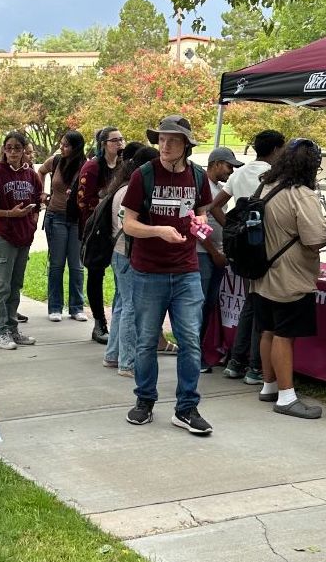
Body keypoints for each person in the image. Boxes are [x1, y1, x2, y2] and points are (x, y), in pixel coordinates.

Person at [122, 115, 214, 435]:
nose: (164, 144)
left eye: (173, 140)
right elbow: (128, 224)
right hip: (148, 272)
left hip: (187, 271)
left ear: (186, 145)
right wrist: (159, 230)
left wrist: (199, 229)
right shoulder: (143, 175)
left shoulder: (198, 177)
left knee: (189, 340)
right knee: (147, 341)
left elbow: (201, 219)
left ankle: (186, 407)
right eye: (161, 138)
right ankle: (145, 401)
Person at [248, 139, 326, 420]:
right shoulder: (301, 193)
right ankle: (286, 396)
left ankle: (269, 385)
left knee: (268, 330)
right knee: (285, 334)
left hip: (262, 273)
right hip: (291, 277)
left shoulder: (266, 186)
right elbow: (314, 238)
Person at [212, 129, 285, 383]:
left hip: (242, 250)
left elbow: (215, 205)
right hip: (266, 250)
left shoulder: (240, 173)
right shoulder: (276, 177)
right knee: (260, 308)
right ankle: (254, 366)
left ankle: (236, 361)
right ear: (276, 150)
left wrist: (232, 229)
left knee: (250, 304)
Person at [0, 131, 42, 350]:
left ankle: (13, 328)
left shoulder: (31, 175)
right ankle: (0, 331)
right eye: (9, 147)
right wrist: (8, 214)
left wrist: (32, 222)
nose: (13, 152)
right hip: (4, 235)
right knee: (1, 285)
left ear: (24, 151)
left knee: (16, 285)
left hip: (24, 236)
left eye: (17, 148)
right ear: (4, 150)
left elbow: (37, 201)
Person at [103, 144, 154, 377]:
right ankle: (128, 361)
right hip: (127, 254)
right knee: (131, 307)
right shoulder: (130, 191)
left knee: (122, 305)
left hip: (118, 252)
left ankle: (113, 355)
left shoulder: (120, 187)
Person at [77, 126, 125, 343]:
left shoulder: (123, 166)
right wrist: (106, 204)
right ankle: (99, 323)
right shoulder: (92, 167)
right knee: (96, 274)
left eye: (121, 140)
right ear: (103, 144)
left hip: (118, 229)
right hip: (96, 229)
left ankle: (118, 323)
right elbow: (83, 201)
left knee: (119, 275)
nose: (119, 144)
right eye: (114, 140)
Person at [197, 146, 243, 372]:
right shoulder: (203, 187)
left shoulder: (219, 189)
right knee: (200, 305)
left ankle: (202, 352)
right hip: (203, 254)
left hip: (216, 255)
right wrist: (213, 252)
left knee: (208, 305)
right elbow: (196, 227)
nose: (231, 172)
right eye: (228, 166)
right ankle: (195, 355)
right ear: (215, 164)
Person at [37, 130, 88, 321]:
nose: (62, 147)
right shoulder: (56, 161)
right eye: (61, 143)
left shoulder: (85, 165)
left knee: (76, 265)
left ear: (75, 148)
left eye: (66, 145)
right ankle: (55, 307)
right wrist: (41, 193)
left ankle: (77, 307)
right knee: (57, 264)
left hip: (76, 220)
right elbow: (40, 171)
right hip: (55, 217)